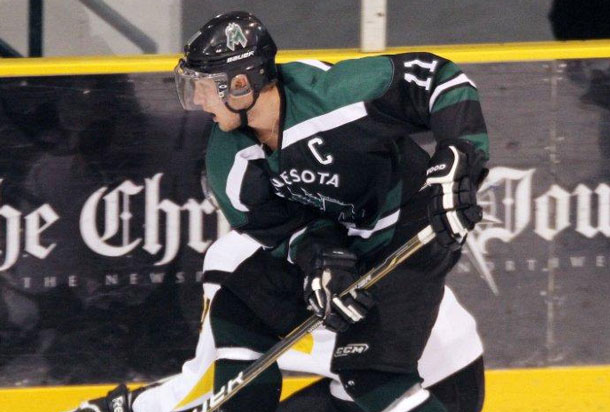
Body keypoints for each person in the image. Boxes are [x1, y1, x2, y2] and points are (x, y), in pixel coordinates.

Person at [69, 10, 489, 412]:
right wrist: (320, 258)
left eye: (204, 85)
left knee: (369, 375)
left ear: (240, 84)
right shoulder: (229, 158)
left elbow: (441, 80)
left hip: (409, 222)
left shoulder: (333, 96)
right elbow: (286, 229)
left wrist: (459, 156)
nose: (196, 99)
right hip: (356, 247)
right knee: (238, 302)